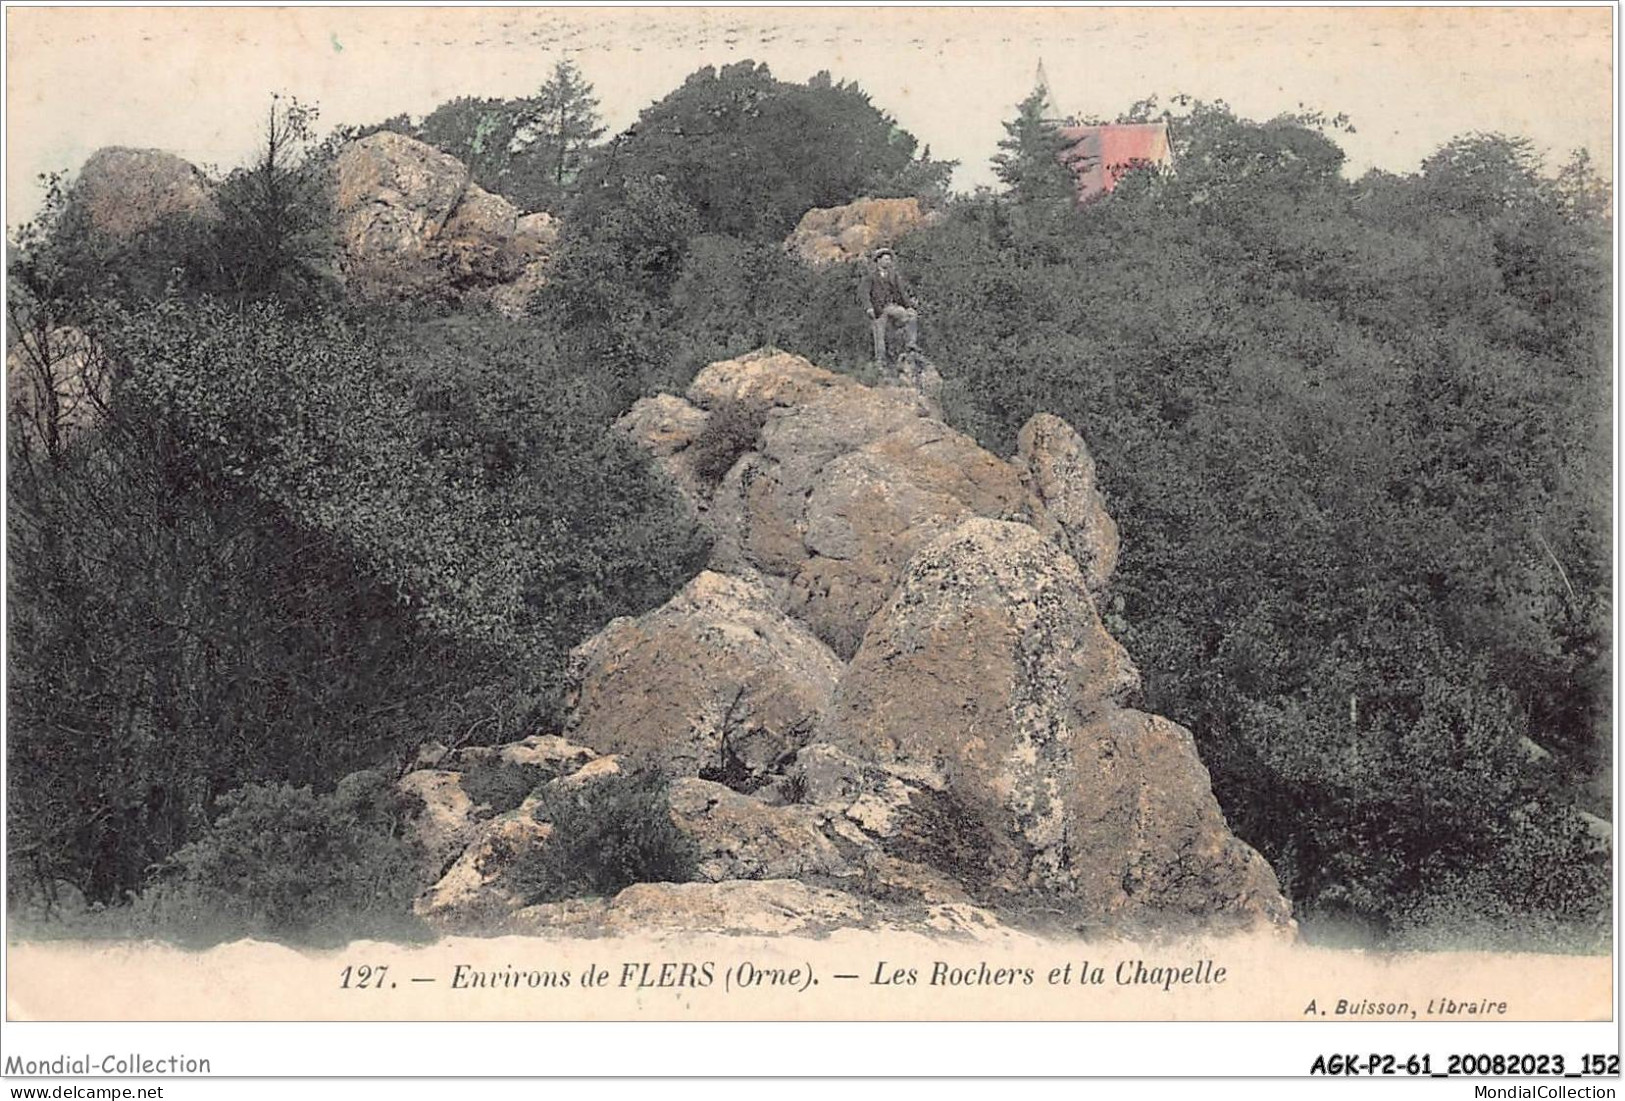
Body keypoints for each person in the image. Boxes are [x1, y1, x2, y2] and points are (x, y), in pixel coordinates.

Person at [860, 248, 920, 370]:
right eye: (885, 259)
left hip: (891, 306)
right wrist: (869, 308)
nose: (888, 262)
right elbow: (864, 294)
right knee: (879, 336)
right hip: (878, 310)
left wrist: (908, 307)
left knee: (911, 316)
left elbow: (901, 293)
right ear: (878, 261)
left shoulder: (894, 277)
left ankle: (911, 344)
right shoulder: (870, 277)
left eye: (889, 259)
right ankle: (880, 363)